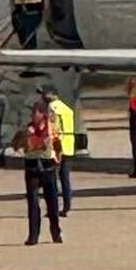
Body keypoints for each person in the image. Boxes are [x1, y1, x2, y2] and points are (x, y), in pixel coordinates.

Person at [12, 94, 63, 245]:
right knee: (33, 203)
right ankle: (33, 235)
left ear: (44, 114)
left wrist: (57, 157)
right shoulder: (27, 129)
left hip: (48, 167)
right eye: (33, 113)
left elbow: (54, 144)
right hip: (32, 167)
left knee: (52, 202)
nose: (34, 116)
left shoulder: (51, 128)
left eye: (38, 113)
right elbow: (16, 145)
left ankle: (56, 232)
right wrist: (24, 140)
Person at [45, 85, 77, 216]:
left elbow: (54, 126)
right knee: (65, 178)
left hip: (58, 145)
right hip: (69, 144)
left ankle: (53, 208)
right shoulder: (65, 107)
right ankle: (67, 206)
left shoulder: (53, 108)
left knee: (51, 178)